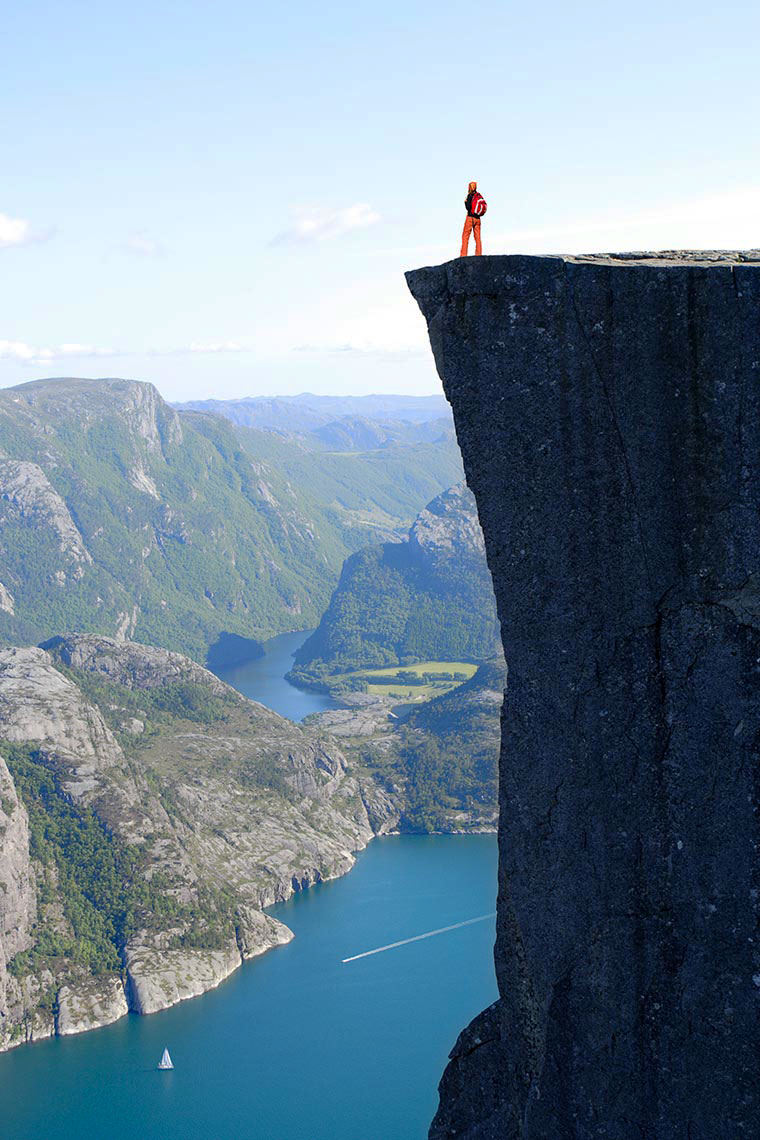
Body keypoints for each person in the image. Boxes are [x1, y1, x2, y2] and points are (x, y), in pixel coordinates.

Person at [460, 181, 483, 257]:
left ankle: (463, 255)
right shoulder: (479, 196)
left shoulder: (470, 195)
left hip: (470, 218)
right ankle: (479, 255)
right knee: (478, 238)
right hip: (478, 219)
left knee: (465, 236)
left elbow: (469, 207)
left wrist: (465, 202)